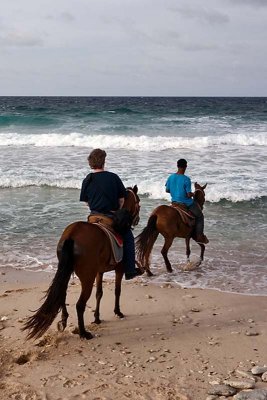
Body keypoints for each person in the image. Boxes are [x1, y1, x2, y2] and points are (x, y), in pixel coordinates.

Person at [80, 148, 143, 280]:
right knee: (128, 237)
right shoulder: (113, 177)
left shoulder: (88, 179)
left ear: (91, 163)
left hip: (93, 216)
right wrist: (117, 209)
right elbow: (121, 200)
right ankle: (130, 270)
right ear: (103, 161)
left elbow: (86, 202)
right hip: (109, 216)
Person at [165, 158, 209, 244]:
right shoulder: (186, 179)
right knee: (200, 216)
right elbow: (188, 195)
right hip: (186, 203)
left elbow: (167, 190)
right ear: (186, 167)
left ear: (177, 166)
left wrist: (175, 191)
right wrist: (193, 194)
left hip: (174, 202)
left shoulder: (171, 177)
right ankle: (199, 236)